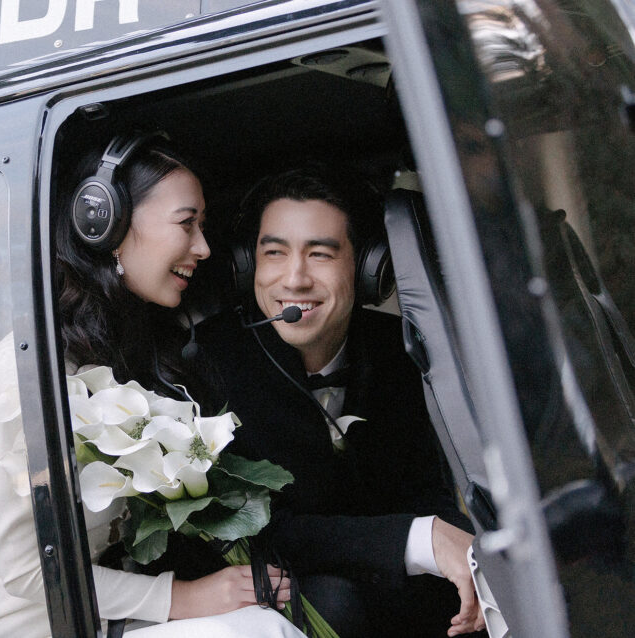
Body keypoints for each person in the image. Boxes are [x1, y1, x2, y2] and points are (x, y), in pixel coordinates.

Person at [0, 135, 302, 638]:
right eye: (186, 223)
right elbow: (29, 570)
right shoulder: (25, 372)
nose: (203, 248)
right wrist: (183, 598)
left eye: (203, 227)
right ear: (107, 227)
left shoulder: (124, 355)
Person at [199, 165, 488, 638]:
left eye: (320, 254)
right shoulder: (208, 362)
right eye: (274, 253)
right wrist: (420, 539)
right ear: (248, 265)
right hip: (296, 603)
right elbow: (258, 531)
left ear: (370, 266)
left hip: (391, 597)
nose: (295, 279)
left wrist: (464, 558)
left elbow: (425, 489)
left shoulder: (402, 350)